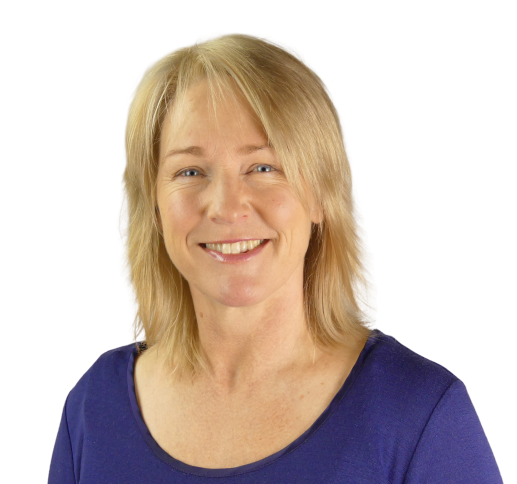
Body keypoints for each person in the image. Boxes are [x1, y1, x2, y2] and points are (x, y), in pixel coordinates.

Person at [48, 32, 503, 483]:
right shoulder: (93, 410)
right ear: (154, 207)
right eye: (190, 171)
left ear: (321, 193)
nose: (226, 207)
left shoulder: (422, 418)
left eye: (263, 167)